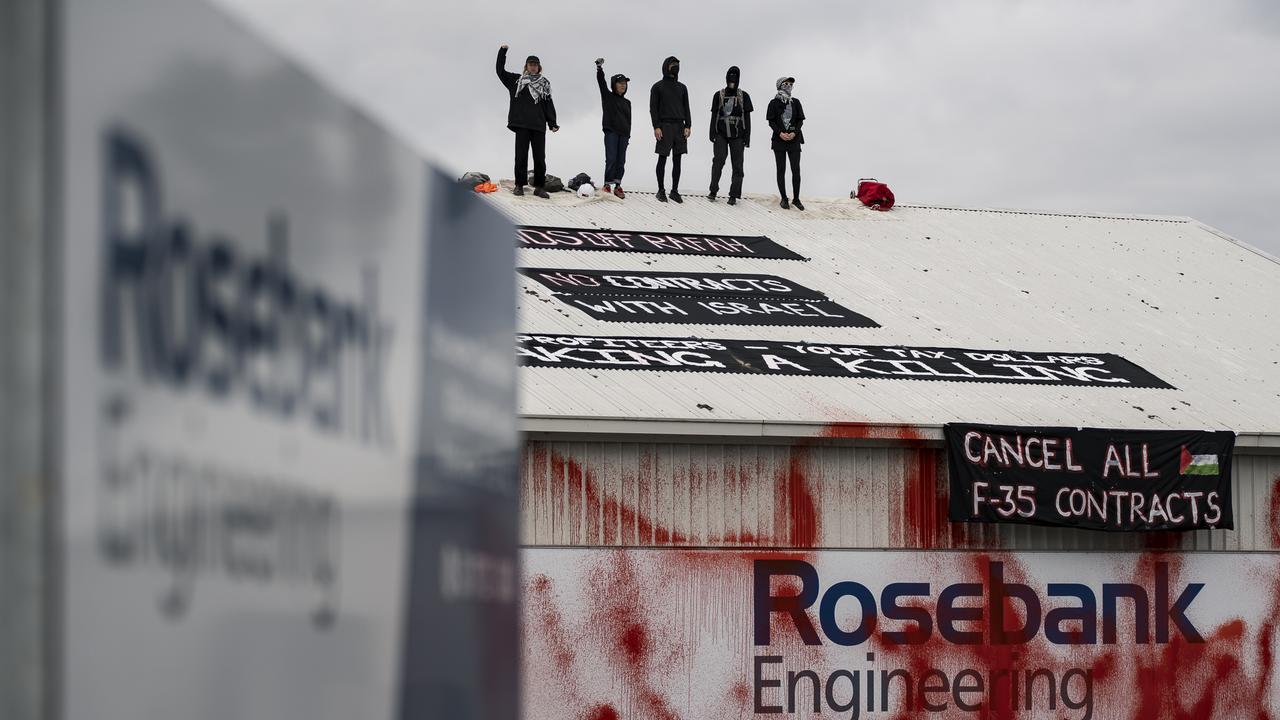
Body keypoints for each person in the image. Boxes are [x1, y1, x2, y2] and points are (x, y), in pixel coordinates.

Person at [495, 44, 559, 198]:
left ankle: (539, 187)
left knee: (540, 158)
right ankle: (519, 185)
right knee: (521, 156)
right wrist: (502, 52)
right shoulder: (516, 81)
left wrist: (552, 123)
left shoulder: (544, 83)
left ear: (539, 67)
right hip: (521, 125)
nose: (533, 67)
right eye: (530, 64)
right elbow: (500, 71)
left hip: (538, 125)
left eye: (535, 65)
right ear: (526, 66)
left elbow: (548, 103)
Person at [707, 65, 753, 206]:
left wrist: (747, 137)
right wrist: (711, 133)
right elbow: (714, 114)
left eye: (735, 75)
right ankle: (713, 190)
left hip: (738, 134)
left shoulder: (744, 96)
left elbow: (747, 118)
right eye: (730, 75)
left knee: (737, 165)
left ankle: (734, 195)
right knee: (718, 161)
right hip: (721, 133)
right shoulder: (719, 95)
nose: (732, 78)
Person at [649, 56, 691, 203]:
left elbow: (687, 107)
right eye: (673, 64)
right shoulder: (657, 87)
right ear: (666, 66)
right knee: (662, 158)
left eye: (677, 64)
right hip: (664, 126)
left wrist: (688, 125)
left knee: (677, 160)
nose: (675, 67)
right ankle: (661, 189)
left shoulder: (682, 87)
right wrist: (656, 126)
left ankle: (675, 190)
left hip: (680, 125)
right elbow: (653, 109)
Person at [766, 76, 805, 210]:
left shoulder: (796, 102)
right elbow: (771, 121)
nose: (788, 86)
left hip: (794, 139)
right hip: (779, 140)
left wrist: (794, 133)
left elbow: (800, 120)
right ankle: (784, 198)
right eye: (786, 83)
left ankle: (796, 198)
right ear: (780, 85)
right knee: (781, 169)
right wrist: (780, 133)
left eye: (790, 84)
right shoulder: (773, 103)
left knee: (796, 169)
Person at [595, 58, 631, 198]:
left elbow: (629, 120)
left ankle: (618, 185)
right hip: (611, 132)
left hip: (624, 134)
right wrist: (599, 69)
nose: (622, 86)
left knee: (621, 161)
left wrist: (628, 135)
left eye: (624, 84)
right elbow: (601, 83)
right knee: (611, 159)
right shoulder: (608, 96)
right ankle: (607, 184)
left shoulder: (627, 102)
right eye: (620, 83)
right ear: (614, 85)